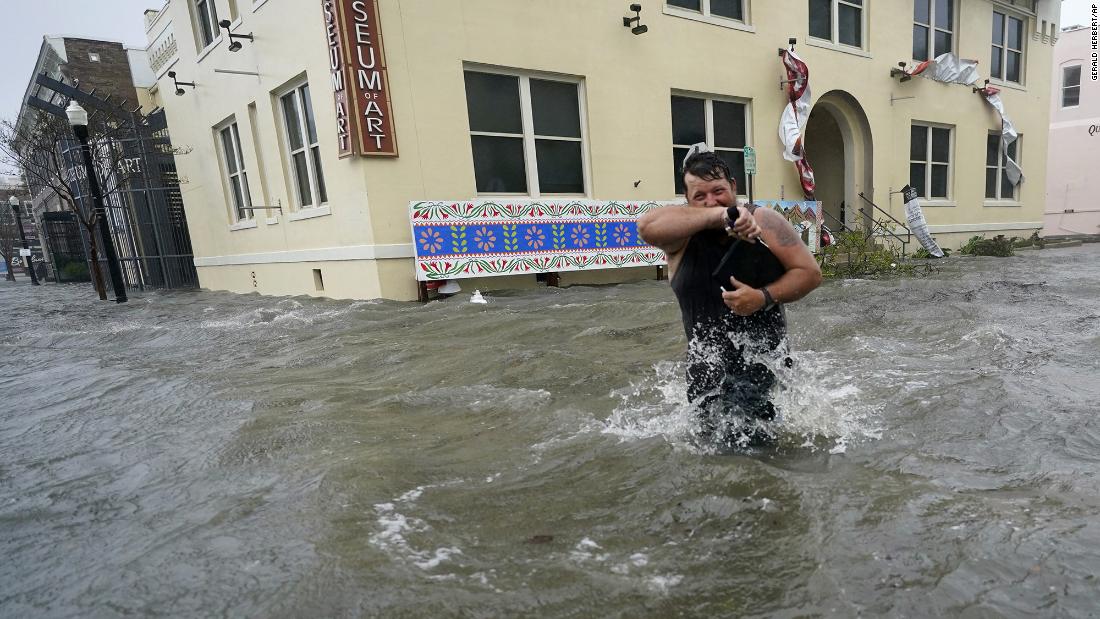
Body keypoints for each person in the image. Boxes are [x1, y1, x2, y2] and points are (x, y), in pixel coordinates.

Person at [637, 147, 822, 447]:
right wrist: (719, 215)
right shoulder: (679, 237)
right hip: (705, 371)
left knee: (759, 455)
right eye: (700, 196)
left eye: (719, 191)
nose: (711, 199)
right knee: (708, 456)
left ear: (734, 187)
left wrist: (763, 297)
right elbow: (646, 227)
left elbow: (810, 273)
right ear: (687, 200)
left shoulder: (766, 222)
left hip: (763, 363)